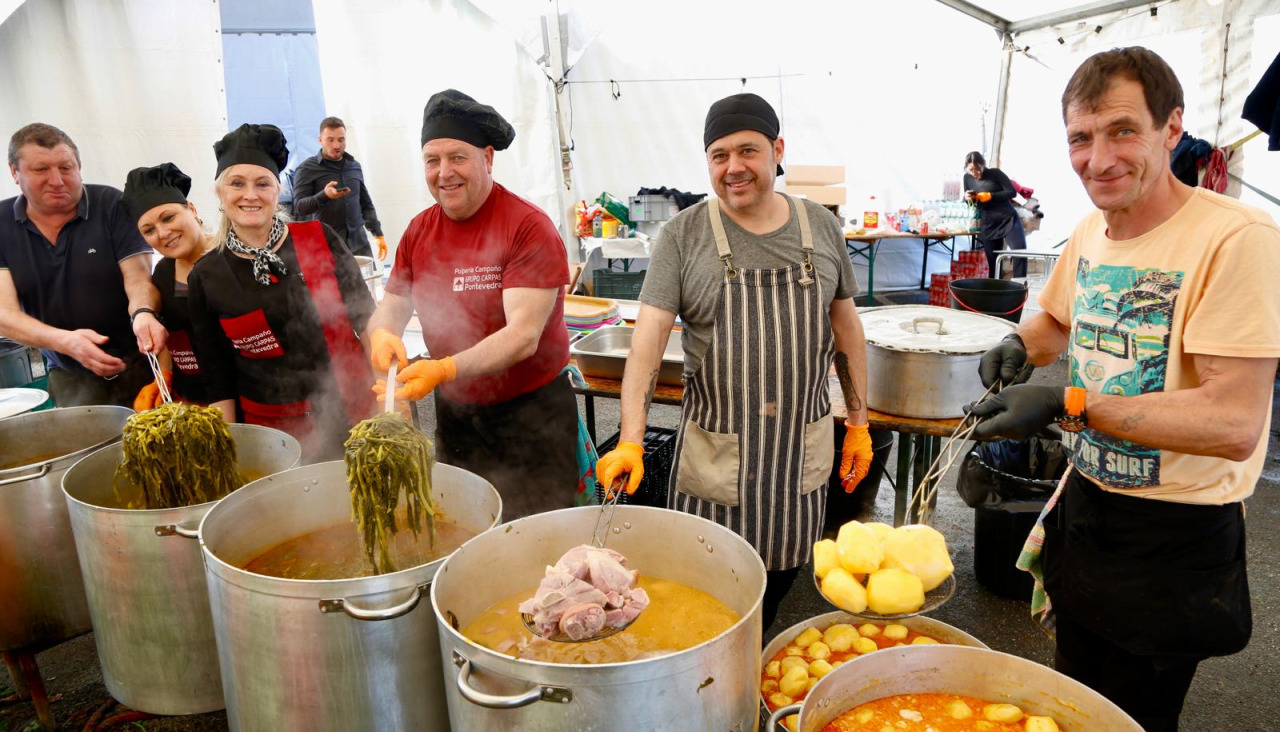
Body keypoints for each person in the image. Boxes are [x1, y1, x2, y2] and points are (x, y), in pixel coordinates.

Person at [967, 47, 1280, 731]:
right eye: (1081, 137)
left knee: (1129, 719)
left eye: (1122, 131)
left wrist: (1069, 402)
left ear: (1172, 129)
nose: (1097, 158)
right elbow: (1054, 317)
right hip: (1088, 510)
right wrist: (1021, 344)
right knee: (1073, 700)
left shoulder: (1237, 238)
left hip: (1174, 537)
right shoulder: (1091, 232)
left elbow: (1233, 421)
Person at [594, 93, 875, 631]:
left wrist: (859, 423)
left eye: (748, 150)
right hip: (716, 463)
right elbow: (648, 340)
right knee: (709, 602)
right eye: (719, 155)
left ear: (777, 150)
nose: (733, 168)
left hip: (799, 457)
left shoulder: (822, 228)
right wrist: (630, 436)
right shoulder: (683, 235)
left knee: (776, 593)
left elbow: (847, 329)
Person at [365, 89, 575, 519]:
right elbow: (391, 305)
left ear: (488, 158)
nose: (444, 173)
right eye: (432, 160)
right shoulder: (420, 230)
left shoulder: (527, 227)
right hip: (458, 416)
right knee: (467, 530)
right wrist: (381, 333)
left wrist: (443, 368)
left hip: (530, 419)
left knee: (536, 541)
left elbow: (523, 337)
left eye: (457, 157)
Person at [187, 123, 375, 462]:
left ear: (278, 190)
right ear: (220, 194)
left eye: (262, 183)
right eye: (237, 183)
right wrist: (229, 453)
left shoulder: (320, 238)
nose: (250, 194)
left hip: (351, 412)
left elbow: (367, 319)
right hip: (272, 433)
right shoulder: (207, 274)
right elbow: (217, 376)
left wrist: (390, 400)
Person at [0, 123, 166, 407]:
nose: (57, 180)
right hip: (69, 374)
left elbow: (138, 279)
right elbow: (5, 313)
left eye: (66, 168)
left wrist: (143, 313)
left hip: (141, 363)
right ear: (15, 172)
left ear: (79, 165)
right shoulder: (1, 223)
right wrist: (65, 342)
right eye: (41, 170)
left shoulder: (111, 203)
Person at [121, 163, 217, 409]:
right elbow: (169, 331)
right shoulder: (163, 272)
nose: (163, 233)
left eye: (168, 217)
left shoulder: (230, 255)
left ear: (192, 210)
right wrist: (165, 374)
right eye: (149, 230)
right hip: (191, 403)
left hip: (242, 400)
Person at [292, 117, 387, 259]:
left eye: (341, 140)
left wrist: (378, 233)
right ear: (320, 139)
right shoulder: (307, 169)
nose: (336, 145)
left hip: (359, 244)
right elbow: (299, 207)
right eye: (330, 140)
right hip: (328, 247)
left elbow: (365, 203)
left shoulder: (354, 166)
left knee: (366, 281)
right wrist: (324, 195)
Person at [963, 151, 1027, 278]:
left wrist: (990, 196)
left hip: (1007, 219)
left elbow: (1012, 192)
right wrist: (966, 197)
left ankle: (1020, 286)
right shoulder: (967, 178)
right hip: (988, 223)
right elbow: (968, 200)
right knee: (993, 262)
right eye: (971, 170)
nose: (974, 173)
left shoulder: (995, 173)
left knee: (1019, 252)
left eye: (977, 169)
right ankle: (996, 291)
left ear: (983, 165)